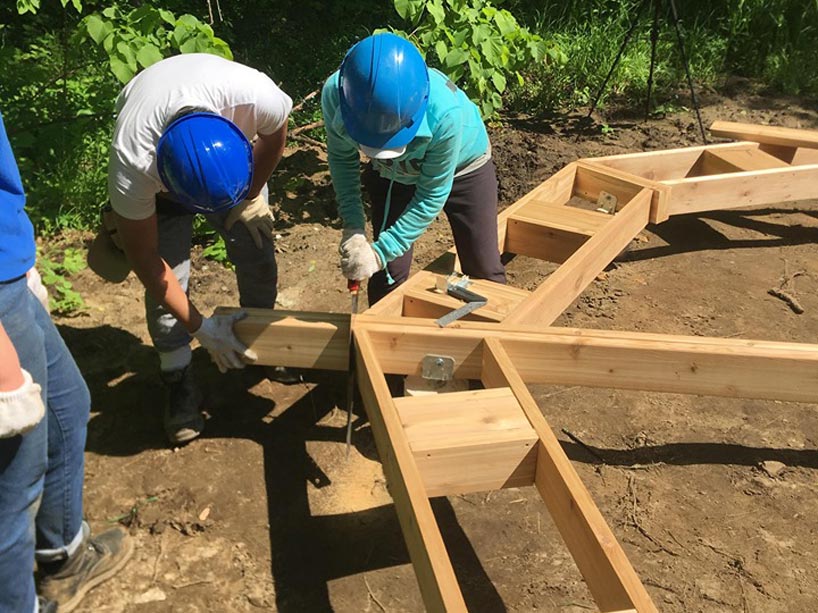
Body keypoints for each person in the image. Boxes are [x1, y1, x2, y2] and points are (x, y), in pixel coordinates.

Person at [91, 53, 295, 444]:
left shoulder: (256, 98)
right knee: (171, 279)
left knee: (256, 248)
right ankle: (177, 374)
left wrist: (250, 194)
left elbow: (277, 133)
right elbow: (146, 260)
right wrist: (201, 328)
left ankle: (260, 339)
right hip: (162, 177)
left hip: (231, 176)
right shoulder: (134, 163)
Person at [0, 111, 132, 613]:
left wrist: (18, 257)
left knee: (68, 405)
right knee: (12, 487)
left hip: (7, 272)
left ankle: (63, 559)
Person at [321, 32, 506, 304]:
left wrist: (379, 252)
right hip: (391, 174)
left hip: (464, 167)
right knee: (387, 277)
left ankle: (494, 333)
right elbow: (342, 163)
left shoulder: (445, 114)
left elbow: (431, 195)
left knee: (483, 269)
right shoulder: (338, 96)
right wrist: (354, 230)